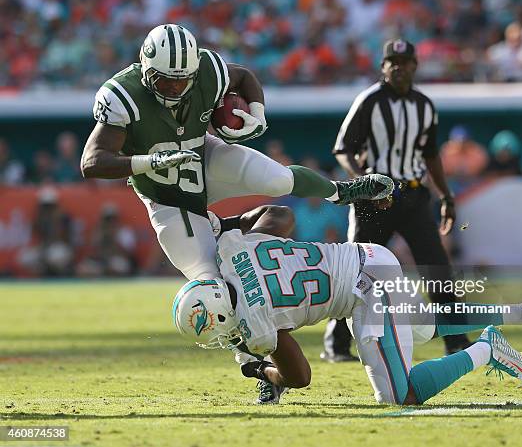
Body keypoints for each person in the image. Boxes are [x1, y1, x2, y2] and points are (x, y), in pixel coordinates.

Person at [80, 24, 393, 402]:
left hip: (202, 156)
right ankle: (255, 362)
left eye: (184, 81)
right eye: (166, 82)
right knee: (214, 288)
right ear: (146, 71)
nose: (176, 89)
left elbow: (243, 77)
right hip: (167, 197)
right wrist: (148, 161)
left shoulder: (208, 70)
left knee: (276, 178)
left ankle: (340, 192)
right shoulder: (123, 95)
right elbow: (92, 161)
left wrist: (257, 114)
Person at [173, 205, 522, 405]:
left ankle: (485, 348)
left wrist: (259, 369)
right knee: (420, 325)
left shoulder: (255, 326)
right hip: (368, 255)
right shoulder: (230, 248)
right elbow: (281, 214)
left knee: (399, 396)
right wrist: (228, 224)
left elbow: (300, 377)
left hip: (366, 289)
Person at [328, 38, 470, 360]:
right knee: (357, 270)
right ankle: (336, 345)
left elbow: (431, 154)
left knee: (437, 268)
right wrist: (365, 180)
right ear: (383, 67)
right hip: (375, 198)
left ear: (415, 66)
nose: (399, 68)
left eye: (405, 63)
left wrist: (445, 195)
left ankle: (456, 340)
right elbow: (343, 149)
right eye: (392, 62)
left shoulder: (425, 105)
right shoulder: (369, 101)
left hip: (414, 195)